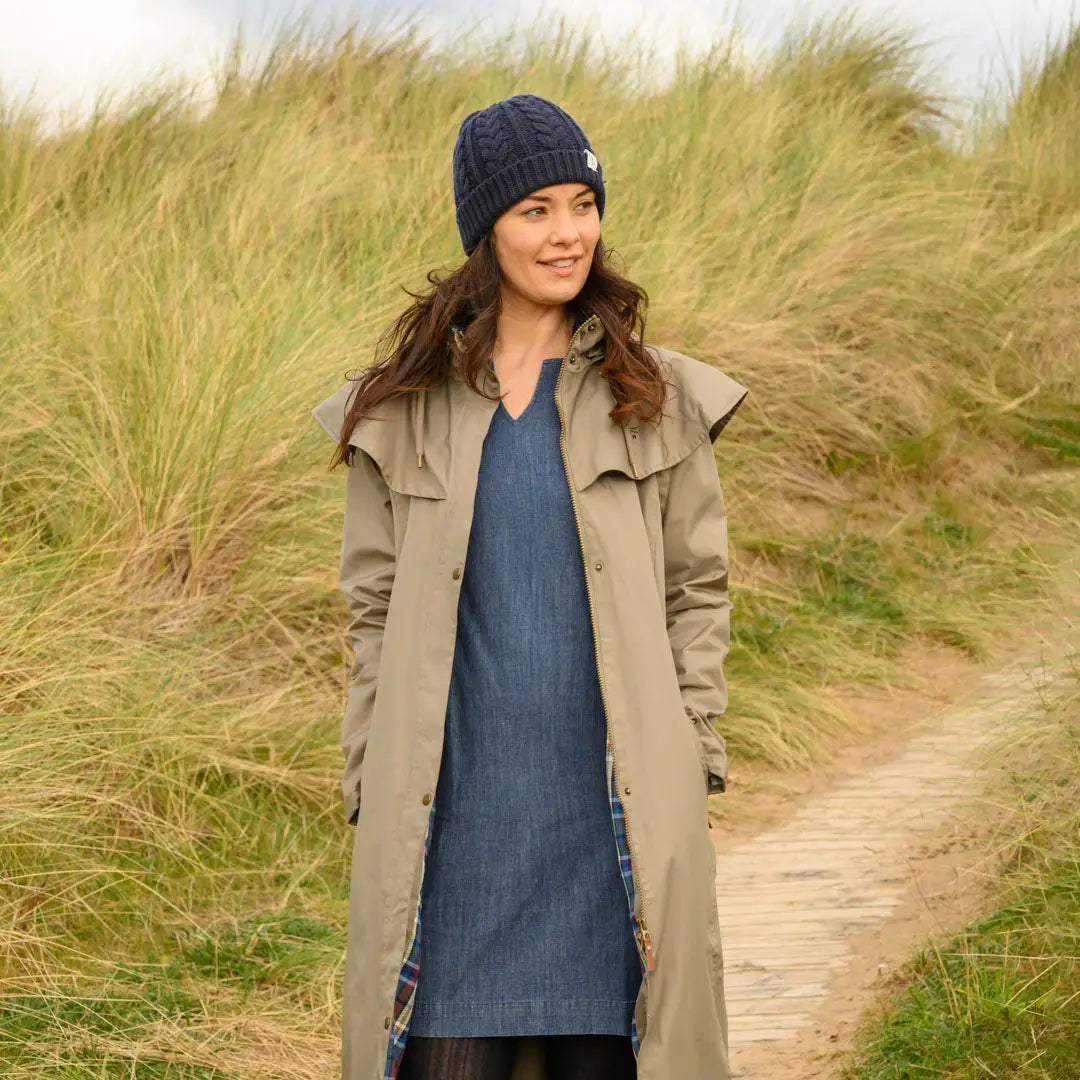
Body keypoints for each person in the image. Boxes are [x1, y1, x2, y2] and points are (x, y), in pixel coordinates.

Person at [312, 93, 749, 1080]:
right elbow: (371, 615)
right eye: (536, 211)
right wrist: (366, 772)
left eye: (582, 204)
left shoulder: (658, 398)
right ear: (486, 231)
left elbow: (698, 592)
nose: (569, 234)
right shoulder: (405, 415)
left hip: (610, 836)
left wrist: (692, 751)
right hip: (456, 837)